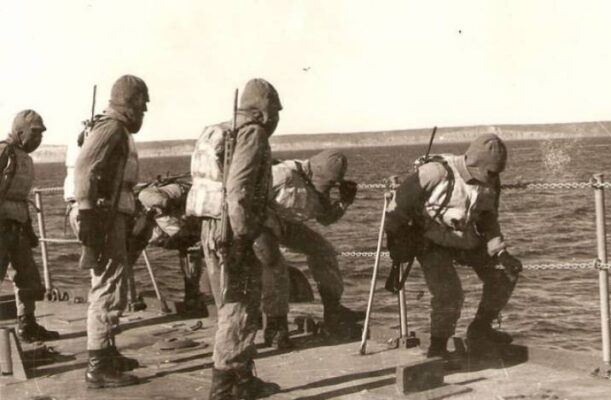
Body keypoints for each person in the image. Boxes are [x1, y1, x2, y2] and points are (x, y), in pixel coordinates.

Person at [384, 133, 523, 364]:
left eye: (497, 173)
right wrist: (395, 241)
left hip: (464, 240)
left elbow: (488, 219)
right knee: (449, 294)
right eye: (490, 172)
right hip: (430, 242)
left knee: (505, 273)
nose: (493, 178)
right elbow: (397, 207)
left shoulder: (492, 181)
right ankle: (438, 350)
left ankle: (480, 330)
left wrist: (500, 252)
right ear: (475, 163)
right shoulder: (436, 173)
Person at [186, 78, 282, 400]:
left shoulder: (219, 130)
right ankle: (224, 390)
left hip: (213, 228)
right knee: (239, 308)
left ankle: (241, 380)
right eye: (276, 112)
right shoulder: (252, 133)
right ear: (265, 111)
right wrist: (244, 237)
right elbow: (238, 189)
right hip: (233, 230)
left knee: (233, 303)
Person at [74, 74, 148, 389]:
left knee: (111, 284)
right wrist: (90, 222)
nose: (144, 112)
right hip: (103, 218)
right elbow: (84, 170)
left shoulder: (113, 128)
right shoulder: (112, 128)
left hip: (110, 215)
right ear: (129, 105)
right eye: (142, 106)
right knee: (107, 287)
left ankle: (106, 352)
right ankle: (98, 366)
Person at [259, 149, 363, 349]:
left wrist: (344, 202)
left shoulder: (317, 185)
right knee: (276, 267)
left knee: (323, 251)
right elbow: (245, 199)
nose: (327, 188)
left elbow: (325, 219)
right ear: (314, 171)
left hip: (285, 224)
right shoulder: (282, 174)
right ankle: (276, 326)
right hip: (261, 224)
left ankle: (333, 310)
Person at [0, 110, 60, 343]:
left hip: (18, 227)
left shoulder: (24, 157)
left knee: (27, 277)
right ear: (19, 131)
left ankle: (27, 325)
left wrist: (29, 229)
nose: (38, 139)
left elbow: (20, 197)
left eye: (41, 135)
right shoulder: (4, 151)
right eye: (34, 133)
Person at [129, 176, 206, 317]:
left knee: (190, 249)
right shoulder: (141, 232)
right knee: (188, 249)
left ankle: (193, 297)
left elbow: (163, 202)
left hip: (191, 208)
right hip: (182, 228)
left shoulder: (145, 197)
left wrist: (168, 212)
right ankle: (192, 298)